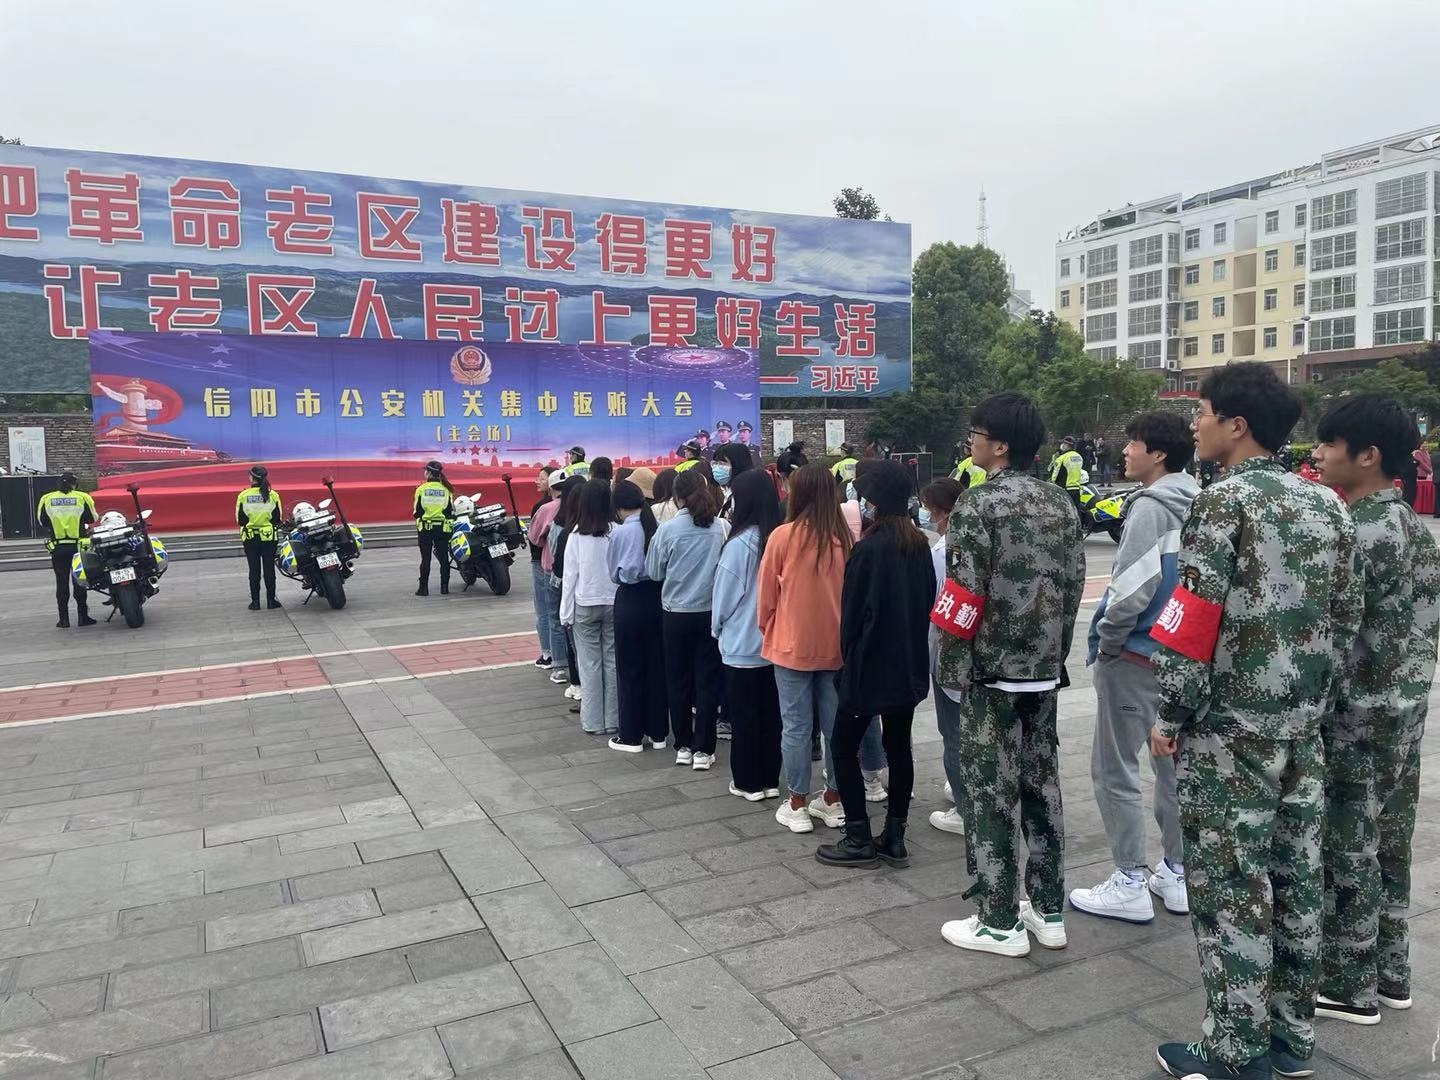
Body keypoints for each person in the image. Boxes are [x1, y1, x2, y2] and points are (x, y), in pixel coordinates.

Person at [1149, 363, 1362, 1080]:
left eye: (1203, 412)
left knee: (1231, 886)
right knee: (1295, 878)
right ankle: (1290, 1039)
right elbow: (1346, 618)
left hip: (1229, 730)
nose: (1195, 424)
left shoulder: (1223, 502)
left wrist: (1171, 712)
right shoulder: (1327, 503)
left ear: (1236, 425)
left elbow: (1191, 620)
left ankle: (1234, 1049)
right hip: (1300, 726)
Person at [937, 392, 1085, 959]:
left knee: (989, 792)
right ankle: (1048, 910)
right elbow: (1073, 585)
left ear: (999, 445)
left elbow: (962, 593)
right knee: (1042, 787)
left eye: (976, 434)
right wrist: (1054, 653)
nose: (970, 443)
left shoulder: (977, 505)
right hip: (1042, 670)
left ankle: (998, 920)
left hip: (991, 671)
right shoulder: (1060, 503)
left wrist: (952, 666)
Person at [1312, 396, 1440, 1027]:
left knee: (1347, 845)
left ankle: (1347, 985)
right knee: (1389, 841)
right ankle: (1391, 973)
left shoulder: (1359, 532)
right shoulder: (1413, 528)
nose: (1318, 454)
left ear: (1368, 456)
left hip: (1357, 716)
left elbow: (1328, 634)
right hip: (1403, 710)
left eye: (1329, 444)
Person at [1067, 411, 1198, 925]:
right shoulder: (1203, 502)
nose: (1124, 451)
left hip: (1137, 657)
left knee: (1114, 768)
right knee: (1173, 768)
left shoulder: (1149, 508)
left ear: (1158, 454)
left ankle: (1128, 880)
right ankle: (1176, 872)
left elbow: (1130, 590)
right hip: (1182, 656)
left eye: (1134, 443)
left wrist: (1108, 644)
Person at [818, 459, 936, 867]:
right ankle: (895, 835)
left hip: (868, 667)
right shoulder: (919, 546)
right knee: (899, 747)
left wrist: (848, 662)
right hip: (908, 664)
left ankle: (858, 836)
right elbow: (928, 602)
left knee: (842, 747)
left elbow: (851, 617)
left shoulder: (867, 549)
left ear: (877, 502)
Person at [759, 464, 854, 833]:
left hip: (791, 644)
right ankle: (834, 797)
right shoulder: (844, 539)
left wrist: (768, 628)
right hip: (835, 647)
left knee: (796, 727)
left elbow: (767, 596)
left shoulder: (782, 537)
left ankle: (797, 802)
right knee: (834, 727)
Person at [645, 469, 725, 769]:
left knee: (677, 680)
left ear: (676, 496)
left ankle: (682, 744)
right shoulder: (720, 527)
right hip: (709, 613)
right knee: (707, 681)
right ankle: (704, 749)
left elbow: (654, 572)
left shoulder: (666, 530)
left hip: (675, 614)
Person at [712, 469, 784, 798]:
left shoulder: (739, 544)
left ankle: (747, 782)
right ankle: (770, 779)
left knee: (744, 716)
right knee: (771, 716)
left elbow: (724, 598)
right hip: (776, 643)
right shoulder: (780, 538)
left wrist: (717, 629)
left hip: (742, 644)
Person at [917, 477, 967, 835]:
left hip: (948, 654)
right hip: (976, 654)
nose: (927, 516)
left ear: (944, 512)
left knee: (953, 731)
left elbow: (934, 606)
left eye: (931, 510)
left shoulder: (942, 553)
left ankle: (965, 809)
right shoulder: (978, 542)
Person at [607, 479, 669, 753]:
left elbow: (614, 573)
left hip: (630, 600)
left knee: (630, 668)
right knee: (656, 665)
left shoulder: (620, 533)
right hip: (656, 597)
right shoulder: (657, 527)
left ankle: (631, 735)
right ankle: (658, 732)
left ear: (618, 507)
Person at [561, 479, 619, 736]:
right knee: (612, 663)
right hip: (614, 602)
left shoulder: (576, 535)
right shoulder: (617, 531)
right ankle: (614, 719)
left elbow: (569, 576)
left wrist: (565, 613)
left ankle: (594, 722)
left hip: (584, 604)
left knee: (589, 665)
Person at [37, 472, 97, 629]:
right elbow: (92, 518)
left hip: (58, 547)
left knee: (61, 582)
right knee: (79, 581)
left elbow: (42, 521)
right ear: (74, 484)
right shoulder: (82, 497)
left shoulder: (47, 498)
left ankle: (63, 620)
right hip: (78, 547)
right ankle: (83, 617)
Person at [527, 468, 569, 688]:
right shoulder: (582, 506)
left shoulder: (546, 508)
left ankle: (558, 665)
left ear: (552, 488)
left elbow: (534, 538)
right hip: (577, 572)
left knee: (553, 616)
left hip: (551, 569)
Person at [549, 474, 586, 705]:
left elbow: (557, 565)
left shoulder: (564, 527)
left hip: (569, 591)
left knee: (573, 640)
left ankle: (578, 684)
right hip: (601, 597)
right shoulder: (608, 525)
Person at [235, 465, 283, 611]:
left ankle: (255, 603)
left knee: (254, 570)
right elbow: (277, 519)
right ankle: (271, 601)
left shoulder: (243, 495)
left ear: (252, 478)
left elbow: (240, 520)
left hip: (250, 538)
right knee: (269, 569)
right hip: (269, 538)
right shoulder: (273, 495)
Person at [527, 467, 557, 668]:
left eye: (542, 479)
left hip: (542, 561)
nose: (537, 481)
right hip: (562, 563)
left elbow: (534, 537)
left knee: (544, 610)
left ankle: (548, 653)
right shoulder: (571, 505)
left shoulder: (542, 507)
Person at [413, 460, 454, 596]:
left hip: (425, 529)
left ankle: (423, 588)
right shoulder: (447, 490)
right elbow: (450, 512)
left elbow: (417, 512)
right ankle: (444, 588)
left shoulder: (421, 489)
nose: (424, 472)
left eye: (425, 470)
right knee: (444, 559)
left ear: (429, 473)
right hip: (442, 529)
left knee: (426, 559)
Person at [1048, 435, 1084, 509]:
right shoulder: (1079, 457)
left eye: (1064, 443)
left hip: (1065, 490)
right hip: (1077, 489)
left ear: (1067, 445)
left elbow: (1055, 475)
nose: (1062, 445)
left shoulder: (1061, 458)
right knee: (1076, 511)